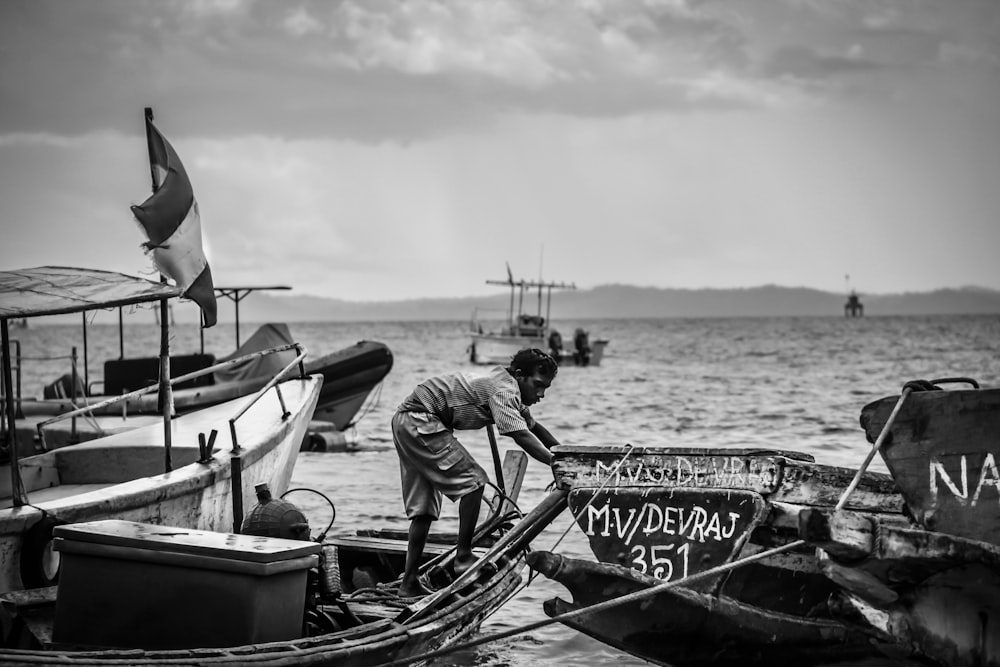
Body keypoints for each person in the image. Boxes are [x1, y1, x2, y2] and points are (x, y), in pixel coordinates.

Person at [391, 347, 561, 597]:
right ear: (520, 375)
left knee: (424, 509)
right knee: (474, 482)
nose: (540, 394)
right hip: (421, 419)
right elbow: (520, 434)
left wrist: (565, 456)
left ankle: (409, 583)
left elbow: (535, 428)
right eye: (537, 385)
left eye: (545, 388)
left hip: (406, 420)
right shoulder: (504, 390)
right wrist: (554, 465)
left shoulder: (505, 386)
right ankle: (463, 556)